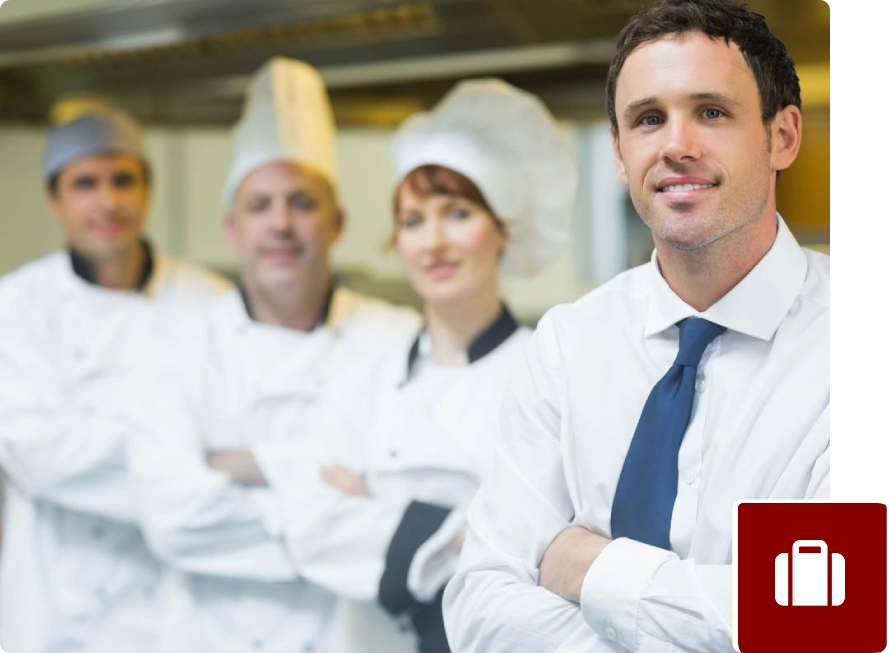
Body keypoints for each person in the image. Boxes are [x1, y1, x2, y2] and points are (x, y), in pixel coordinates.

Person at [443, 1, 829, 651]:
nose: (676, 146)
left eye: (711, 111)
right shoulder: (567, 345)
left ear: (782, 136)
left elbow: (824, 620)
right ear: (620, 155)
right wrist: (730, 606)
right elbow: (481, 611)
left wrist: (588, 567)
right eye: (648, 119)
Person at [243, 78, 578, 653]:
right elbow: (309, 521)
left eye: (458, 213)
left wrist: (376, 501)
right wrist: (464, 524)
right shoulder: (364, 363)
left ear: (503, 229)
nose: (433, 243)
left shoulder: (545, 371)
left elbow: (548, 552)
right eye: (413, 220)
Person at [125, 57, 420, 653]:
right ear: (232, 227)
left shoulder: (398, 338)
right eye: (260, 206)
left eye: (302, 204)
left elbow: (409, 510)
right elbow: (172, 520)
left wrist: (247, 467)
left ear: (336, 222)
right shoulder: (174, 348)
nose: (281, 224)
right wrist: (334, 502)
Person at [0, 110, 230, 653]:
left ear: (148, 191)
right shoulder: (16, 305)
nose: (108, 202)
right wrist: (188, 458)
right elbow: (39, 456)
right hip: (58, 608)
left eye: (123, 180)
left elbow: (243, 438)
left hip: (182, 603)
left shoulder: (211, 303)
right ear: (55, 201)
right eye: (85, 184)